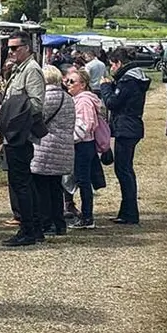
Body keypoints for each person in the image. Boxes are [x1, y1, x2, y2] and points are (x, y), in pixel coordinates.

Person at [0, 31, 45, 247]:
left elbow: (36, 104)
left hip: (20, 134)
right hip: (14, 134)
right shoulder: (20, 70)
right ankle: (34, 227)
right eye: (10, 48)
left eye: (15, 48)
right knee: (22, 183)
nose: (11, 52)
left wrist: (9, 110)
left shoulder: (32, 71)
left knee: (21, 184)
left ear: (27, 48)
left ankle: (28, 229)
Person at [100, 47, 150, 226]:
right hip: (131, 126)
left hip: (126, 127)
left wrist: (105, 88)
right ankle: (127, 210)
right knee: (125, 170)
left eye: (112, 65)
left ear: (119, 63)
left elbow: (113, 102)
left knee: (123, 170)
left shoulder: (128, 80)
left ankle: (130, 212)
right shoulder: (134, 77)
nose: (111, 69)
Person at [31, 65, 75, 237]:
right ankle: (59, 223)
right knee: (56, 187)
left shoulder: (45, 97)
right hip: (63, 148)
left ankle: (46, 223)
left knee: (41, 188)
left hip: (45, 147)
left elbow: (38, 119)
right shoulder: (68, 97)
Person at [64, 68, 102, 230]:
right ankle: (84, 214)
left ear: (83, 84)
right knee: (80, 180)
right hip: (80, 144)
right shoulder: (78, 99)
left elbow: (85, 126)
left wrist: (68, 138)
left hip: (83, 145)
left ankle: (87, 217)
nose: (68, 84)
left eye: (72, 82)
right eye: (67, 81)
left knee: (83, 181)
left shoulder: (84, 101)